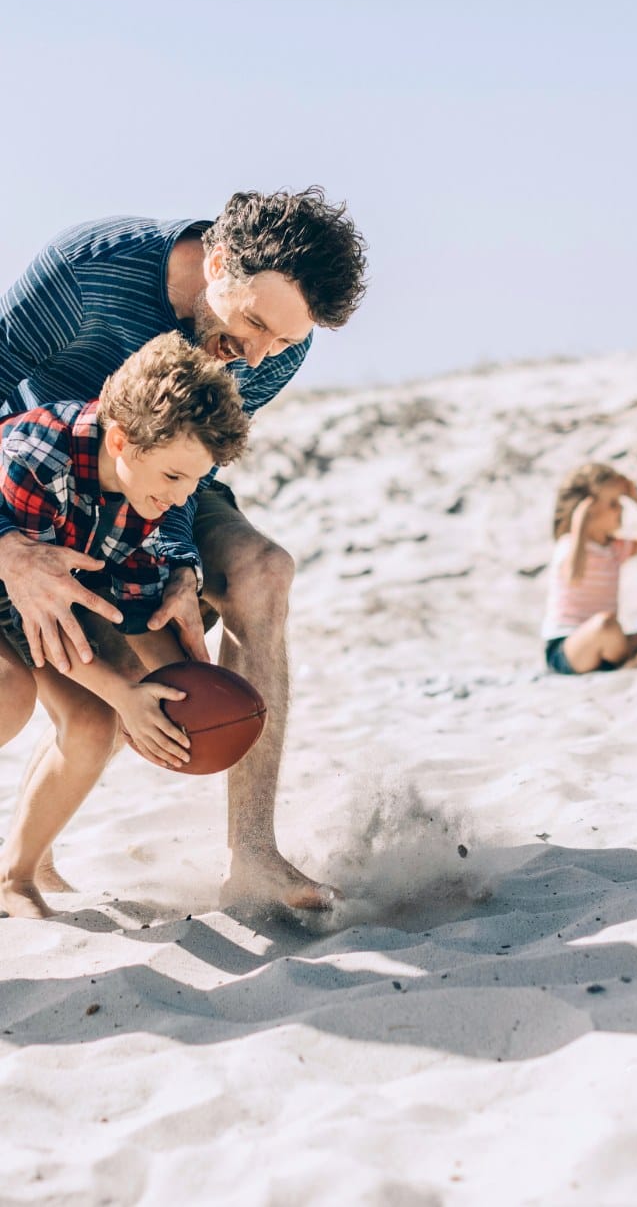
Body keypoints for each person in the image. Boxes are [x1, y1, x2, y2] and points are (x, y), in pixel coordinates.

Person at [0, 190, 367, 911]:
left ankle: (254, 856)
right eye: (254, 323)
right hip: (32, 484)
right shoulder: (90, 270)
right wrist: (9, 545)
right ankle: (23, 865)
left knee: (264, 572)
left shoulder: (275, 345)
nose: (258, 355)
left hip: (158, 491)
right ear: (219, 263)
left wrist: (181, 562)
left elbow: (201, 467)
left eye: (284, 343)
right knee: (82, 709)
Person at [0, 334, 250, 918]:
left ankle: (15, 877)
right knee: (10, 695)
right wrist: (124, 693)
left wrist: (181, 690)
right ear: (122, 440)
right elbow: (40, 616)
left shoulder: (142, 499)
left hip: (34, 599)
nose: (181, 496)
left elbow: (131, 611)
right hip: (17, 584)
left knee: (92, 723)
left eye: (195, 482)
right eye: (173, 477)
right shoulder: (39, 457)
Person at [542, 462, 637, 674]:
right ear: (588, 510)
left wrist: (636, 498)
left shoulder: (614, 549)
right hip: (568, 647)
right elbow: (574, 577)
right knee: (606, 624)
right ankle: (631, 657)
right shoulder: (569, 545)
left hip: (611, 643)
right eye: (613, 503)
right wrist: (580, 523)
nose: (621, 509)